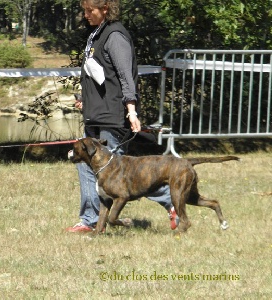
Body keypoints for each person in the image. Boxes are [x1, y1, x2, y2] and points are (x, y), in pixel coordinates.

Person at [66, 0, 179, 233]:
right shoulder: (96, 34)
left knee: (122, 176)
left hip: (113, 114)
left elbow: (126, 78)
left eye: (90, 10)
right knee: (85, 166)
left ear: (105, 9)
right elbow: (100, 76)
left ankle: (172, 201)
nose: (85, 15)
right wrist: (85, 99)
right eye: (84, 10)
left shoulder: (115, 36)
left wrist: (132, 110)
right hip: (95, 114)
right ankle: (89, 220)